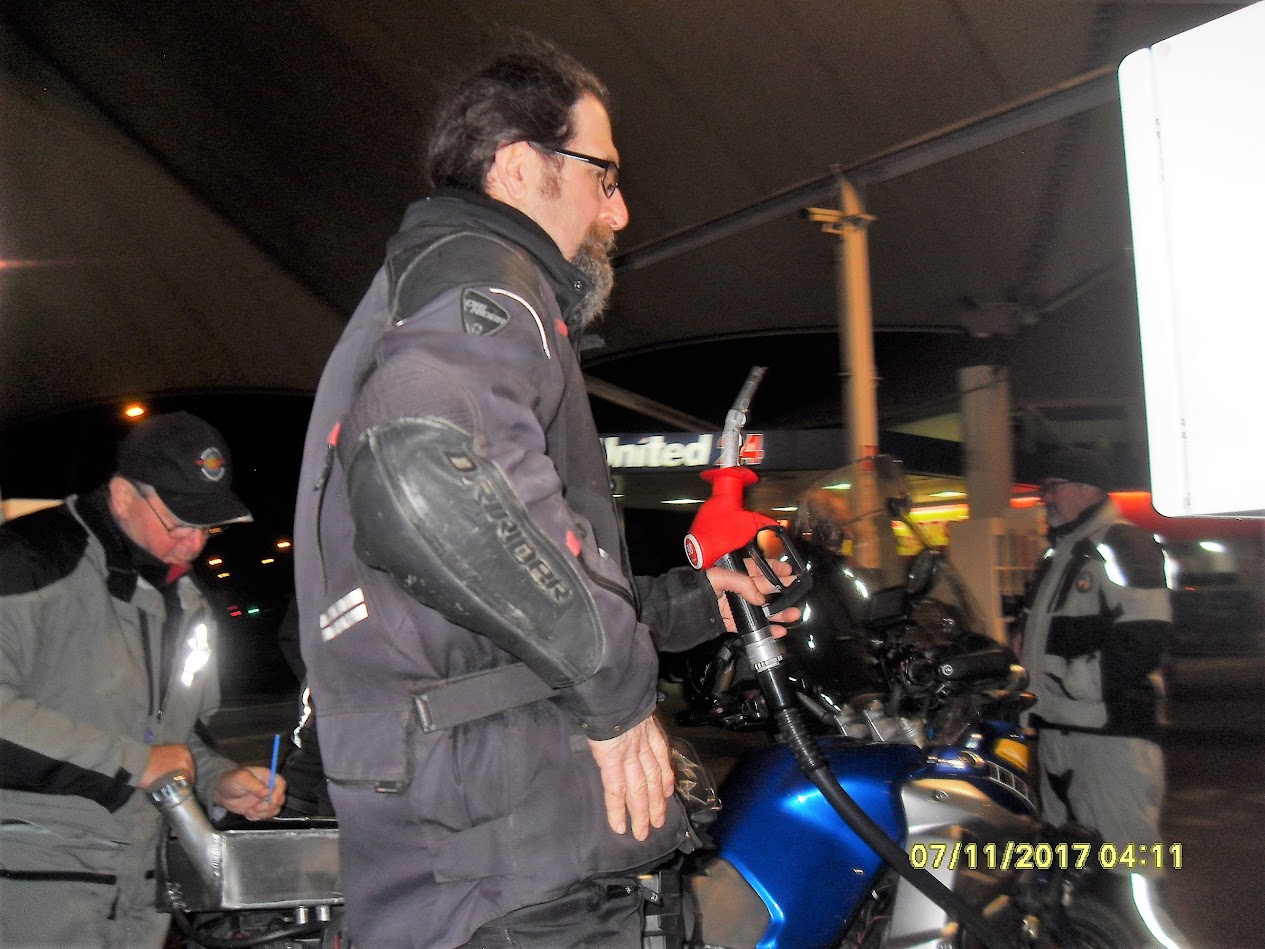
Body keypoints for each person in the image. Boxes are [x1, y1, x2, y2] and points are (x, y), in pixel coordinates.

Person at [293, 40, 794, 949]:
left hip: (476, 851)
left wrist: (686, 605)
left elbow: (477, 587)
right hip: (510, 862)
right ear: (521, 166)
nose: (619, 210)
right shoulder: (486, 276)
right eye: (604, 175)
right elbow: (422, 473)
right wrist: (614, 687)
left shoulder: (430, 290)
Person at [0, 411, 286, 949]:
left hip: (138, 885)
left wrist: (216, 779)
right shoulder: (27, 560)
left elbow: (175, 736)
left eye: (208, 527)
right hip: (30, 882)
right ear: (123, 495)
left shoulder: (190, 602)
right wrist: (134, 762)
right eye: (179, 523)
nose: (194, 546)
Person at [1019, 447, 1178, 904]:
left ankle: (1136, 935)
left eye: (1053, 487)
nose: (1045, 498)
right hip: (1059, 734)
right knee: (1066, 874)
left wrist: (1067, 683)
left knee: (1126, 872)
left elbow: (1145, 639)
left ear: (1085, 490)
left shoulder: (1124, 544)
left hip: (1111, 740)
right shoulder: (1061, 553)